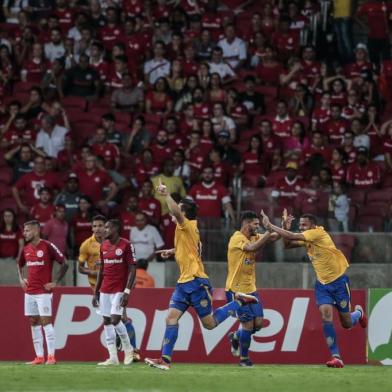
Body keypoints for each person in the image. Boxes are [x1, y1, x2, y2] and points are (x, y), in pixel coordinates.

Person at [144, 179, 259, 370]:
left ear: (184, 213)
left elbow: (175, 213)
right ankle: (165, 360)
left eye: (179, 209)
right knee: (170, 318)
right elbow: (193, 249)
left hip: (196, 282)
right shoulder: (187, 229)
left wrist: (165, 195)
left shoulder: (186, 224)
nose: (175, 212)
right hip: (184, 283)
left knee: (210, 324)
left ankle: (240, 301)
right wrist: (173, 251)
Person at [260, 211, 367, 368]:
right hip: (322, 285)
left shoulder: (317, 233)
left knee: (347, 323)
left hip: (339, 283)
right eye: (300, 224)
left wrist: (271, 226)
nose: (301, 227)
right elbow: (288, 244)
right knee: (326, 316)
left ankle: (358, 313)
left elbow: (293, 236)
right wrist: (284, 227)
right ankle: (336, 356)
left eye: (304, 225)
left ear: (313, 225)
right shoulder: (308, 238)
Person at [226, 210, 279, 367]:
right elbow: (251, 248)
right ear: (246, 224)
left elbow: (275, 236)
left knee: (258, 324)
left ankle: (235, 336)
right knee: (248, 325)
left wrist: (281, 227)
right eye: (256, 224)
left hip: (251, 289)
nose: (258, 227)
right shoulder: (236, 238)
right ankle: (244, 359)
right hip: (236, 290)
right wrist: (268, 232)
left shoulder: (254, 236)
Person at [17, 220, 68, 365]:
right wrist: (21, 279)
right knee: (33, 322)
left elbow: (65, 263)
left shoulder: (48, 246)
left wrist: (55, 282)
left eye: (27, 230)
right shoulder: (26, 249)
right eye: (24, 230)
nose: (24, 233)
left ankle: (51, 356)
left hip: (43, 292)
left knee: (46, 322)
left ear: (36, 231)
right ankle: (39, 357)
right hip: (30, 291)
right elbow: (19, 264)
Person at [92, 219, 137, 366]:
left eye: (107, 227)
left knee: (115, 319)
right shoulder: (103, 246)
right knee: (106, 321)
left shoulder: (127, 245)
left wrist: (127, 291)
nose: (104, 230)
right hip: (105, 289)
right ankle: (113, 357)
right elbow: (101, 270)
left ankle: (129, 350)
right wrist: (96, 292)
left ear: (116, 229)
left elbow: (132, 269)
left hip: (119, 289)